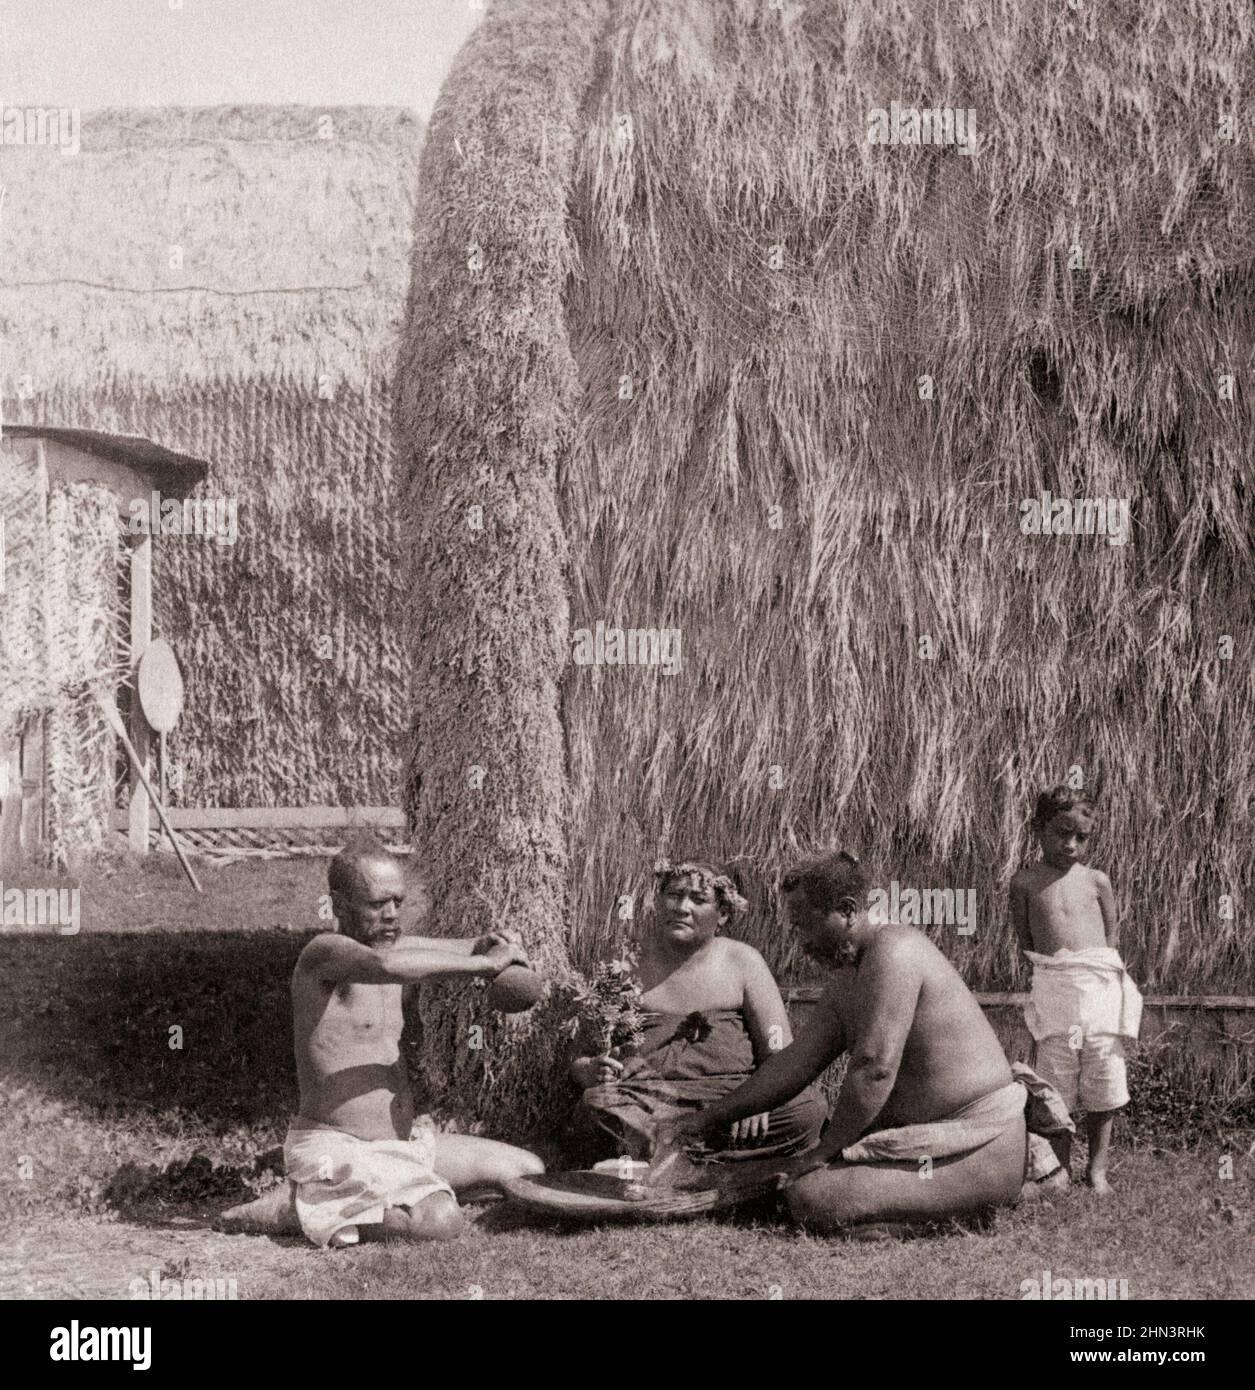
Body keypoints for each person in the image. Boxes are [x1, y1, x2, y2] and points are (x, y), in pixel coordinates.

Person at [657, 851, 1039, 1234]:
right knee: (782, 1181)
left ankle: (962, 1214)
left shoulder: (896, 950)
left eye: (806, 925)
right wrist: (706, 1119)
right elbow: (794, 1064)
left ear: (847, 909)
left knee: (811, 1196)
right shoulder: (848, 979)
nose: (800, 941)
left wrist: (824, 1152)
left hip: (977, 1146)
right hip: (923, 1146)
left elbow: (875, 1068)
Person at [219, 843, 543, 1246]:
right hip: (337, 1147)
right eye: (376, 904)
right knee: (440, 1221)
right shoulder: (323, 954)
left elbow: (457, 948)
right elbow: (387, 968)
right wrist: (484, 966)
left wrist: (492, 945)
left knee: (528, 1170)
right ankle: (294, 1209)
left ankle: (379, 1192)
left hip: (400, 1145)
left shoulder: (399, 947)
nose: (391, 915)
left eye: (398, 902)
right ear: (338, 905)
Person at [566, 859, 826, 1166]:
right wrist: (591, 1069)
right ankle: (701, 1163)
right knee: (595, 1108)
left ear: (723, 914)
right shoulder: (625, 961)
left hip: (731, 1103)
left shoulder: (743, 961)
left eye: (698, 899)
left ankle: (667, 1160)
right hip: (650, 1101)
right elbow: (579, 1055)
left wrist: (755, 1102)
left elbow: (778, 1046)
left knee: (807, 1109)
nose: (681, 907)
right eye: (674, 895)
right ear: (659, 902)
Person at [1011, 786, 1142, 1194]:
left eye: (1080, 837)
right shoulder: (1025, 882)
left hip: (1098, 991)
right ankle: (1060, 1168)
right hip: (1056, 990)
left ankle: (1097, 1170)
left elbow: (1110, 938)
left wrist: (1094, 971)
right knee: (1056, 1084)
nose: (1070, 845)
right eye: (1060, 833)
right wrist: (1057, 971)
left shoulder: (1096, 881)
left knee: (1103, 1076)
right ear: (1038, 830)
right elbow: (1026, 937)